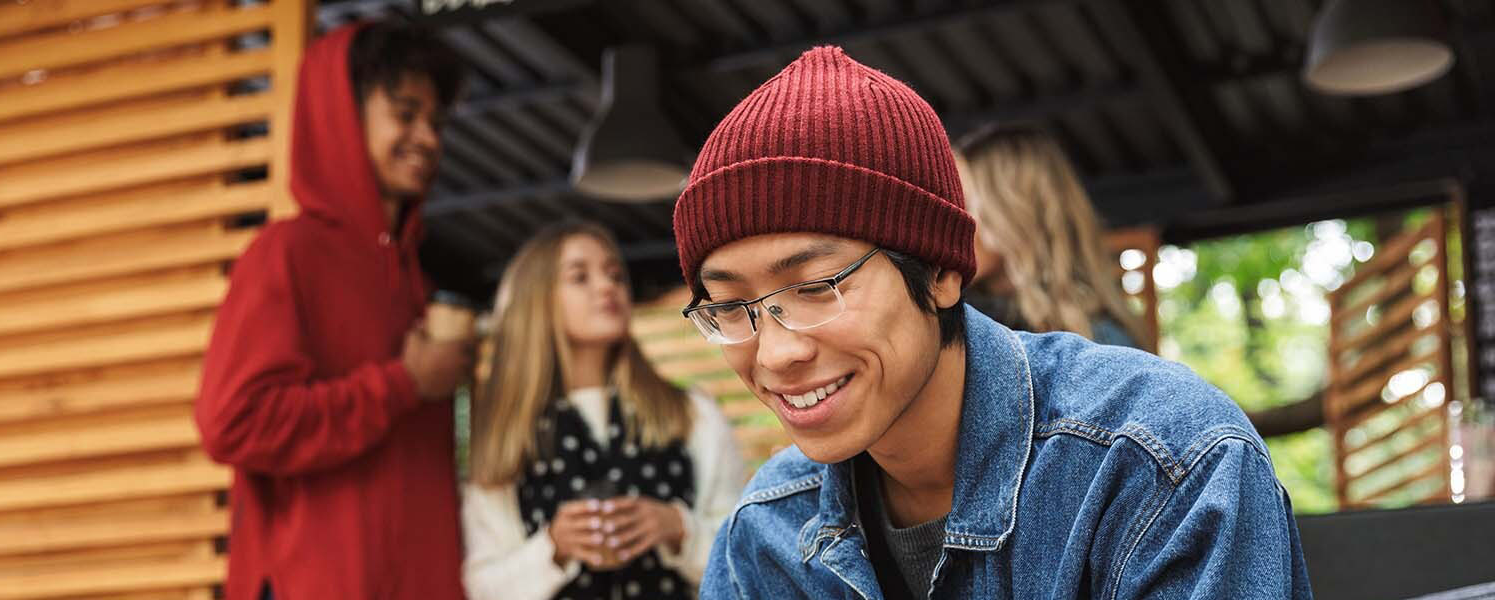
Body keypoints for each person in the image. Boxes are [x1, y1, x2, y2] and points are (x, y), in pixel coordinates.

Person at [673, 47, 1311, 599]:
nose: (774, 354)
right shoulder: (764, 534)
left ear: (941, 272)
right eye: (728, 307)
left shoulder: (1157, 465)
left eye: (816, 287)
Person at [194, 22, 470, 600]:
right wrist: (401, 385)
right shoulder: (286, 254)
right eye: (405, 114)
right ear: (341, 116)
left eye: (436, 122)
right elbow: (233, 423)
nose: (427, 138)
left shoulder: (416, 284)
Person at [462, 221, 748, 600]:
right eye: (580, 277)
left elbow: (747, 554)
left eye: (615, 275)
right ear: (536, 301)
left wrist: (679, 529)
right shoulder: (507, 437)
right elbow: (482, 588)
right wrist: (553, 548)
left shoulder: (693, 411)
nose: (607, 287)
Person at [953, 122, 1147, 349]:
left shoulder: (1101, 341)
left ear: (1015, 213)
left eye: (965, 204)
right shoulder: (958, 319)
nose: (953, 221)